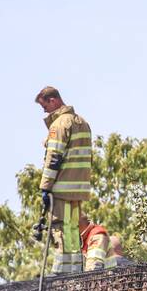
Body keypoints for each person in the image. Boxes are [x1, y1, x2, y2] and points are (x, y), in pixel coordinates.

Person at [35, 86, 94, 274]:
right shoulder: (82, 122)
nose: (44, 111)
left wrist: (45, 187)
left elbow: (54, 157)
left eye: (44, 106)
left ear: (53, 100)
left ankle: (61, 272)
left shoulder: (59, 124)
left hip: (61, 188)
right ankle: (75, 271)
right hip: (78, 188)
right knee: (72, 229)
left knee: (60, 228)